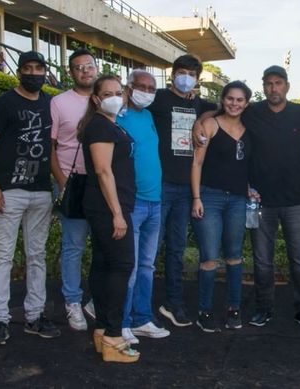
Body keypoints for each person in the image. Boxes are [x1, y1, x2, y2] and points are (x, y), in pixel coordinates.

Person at [215, 65, 300, 330]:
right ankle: (263, 308)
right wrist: (201, 123)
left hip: (297, 199)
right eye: (268, 83)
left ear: (287, 86)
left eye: (278, 83)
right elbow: (221, 112)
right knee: (262, 260)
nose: (273, 88)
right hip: (260, 200)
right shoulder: (252, 113)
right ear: (263, 86)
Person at [0, 51, 61, 345]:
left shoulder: (51, 104)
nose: (33, 73)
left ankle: (34, 315)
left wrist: (61, 183)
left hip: (40, 191)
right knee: (3, 256)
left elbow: (54, 148)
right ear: (19, 72)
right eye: (27, 68)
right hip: (9, 192)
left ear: (44, 71)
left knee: (36, 256)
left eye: (38, 68)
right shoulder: (3, 103)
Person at [148, 54, 217, 328]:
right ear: (173, 73)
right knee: (150, 250)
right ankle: (140, 305)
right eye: (181, 72)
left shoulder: (200, 104)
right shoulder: (158, 99)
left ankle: (172, 302)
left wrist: (204, 117)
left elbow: (222, 108)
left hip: (187, 188)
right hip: (160, 185)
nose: (186, 77)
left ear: (197, 79)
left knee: (177, 249)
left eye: (191, 74)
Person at [78, 75, 138, 363]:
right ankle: (114, 336)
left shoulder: (109, 124)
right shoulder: (101, 126)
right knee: (121, 265)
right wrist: (117, 213)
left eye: (119, 92)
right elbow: (103, 171)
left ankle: (103, 330)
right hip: (108, 207)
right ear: (96, 99)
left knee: (104, 264)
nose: (115, 97)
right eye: (108, 93)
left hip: (108, 205)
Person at [190, 81, 254, 332]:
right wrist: (196, 198)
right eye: (230, 99)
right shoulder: (210, 125)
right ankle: (204, 310)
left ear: (246, 103)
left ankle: (234, 308)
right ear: (223, 99)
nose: (234, 104)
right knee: (209, 258)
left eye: (240, 100)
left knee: (235, 256)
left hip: (238, 200)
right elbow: (196, 164)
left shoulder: (251, 127)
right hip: (210, 198)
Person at [117, 70, 170, 344]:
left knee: (147, 265)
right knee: (131, 266)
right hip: (132, 202)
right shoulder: (118, 115)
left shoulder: (148, 116)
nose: (147, 92)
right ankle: (122, 323)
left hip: (154, 201)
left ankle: (141, 319)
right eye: (142, 87)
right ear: (129, 87)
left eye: (152, 88)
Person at [50, 48, 98, 330]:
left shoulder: (108, 99)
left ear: (96, 68)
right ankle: (72, 301)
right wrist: (62, 181)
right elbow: (51, 146)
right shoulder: (59, 102)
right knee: (73, 245)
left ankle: (96, 299)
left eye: (89, 66)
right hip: (73, 182)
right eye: (78, 67)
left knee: (104, 245)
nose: (84, 71)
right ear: (70, 72)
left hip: (103, 182)